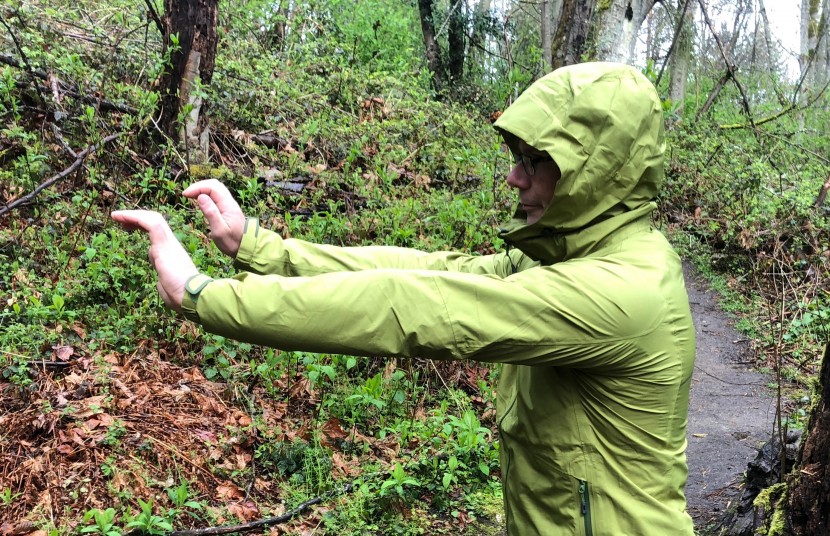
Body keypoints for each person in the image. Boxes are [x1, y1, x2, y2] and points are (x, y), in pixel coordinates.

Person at [112, 62, 695, 535]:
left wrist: (203, 297)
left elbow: (413, 306)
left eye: (536, 162)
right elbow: (424, 269)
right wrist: (262, 250)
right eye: (517, 158)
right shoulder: (576, 255)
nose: (515, 179)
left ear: (598, 173)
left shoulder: (619, 292)